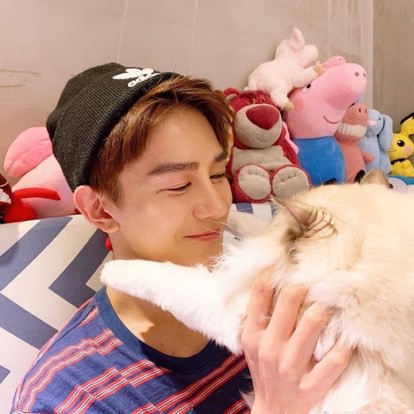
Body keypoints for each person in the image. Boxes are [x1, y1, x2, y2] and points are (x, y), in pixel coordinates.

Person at [11, 63, 351, 413]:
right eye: (179, 185)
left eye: (218, 174)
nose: (217, 206)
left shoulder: (264, 299)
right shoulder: (67, 396)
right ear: (100, 210)